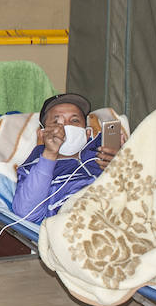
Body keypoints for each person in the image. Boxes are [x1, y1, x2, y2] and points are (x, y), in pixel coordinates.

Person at [9, 92, 119, 224]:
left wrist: (121, 164)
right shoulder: (34, 168)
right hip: (78, 224)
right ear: (42, 134)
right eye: (56, 122)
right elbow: (26, 214)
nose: (66, 127)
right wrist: (50, 154)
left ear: (88, 132)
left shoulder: (105, 153)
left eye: (74, 120)